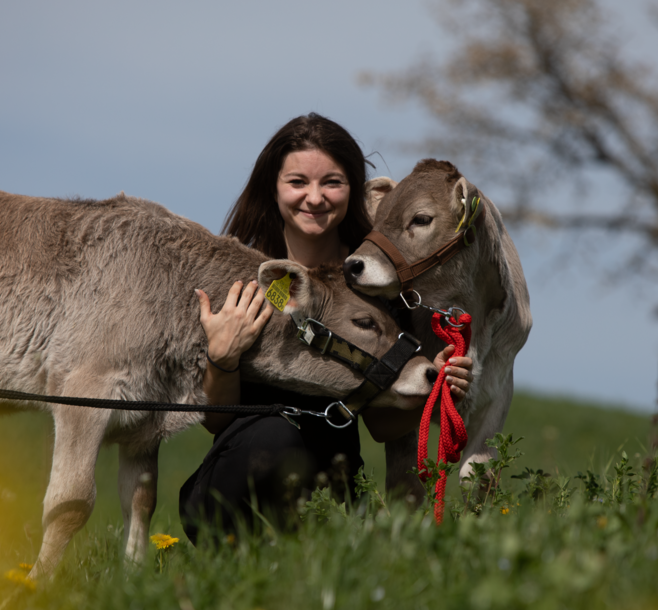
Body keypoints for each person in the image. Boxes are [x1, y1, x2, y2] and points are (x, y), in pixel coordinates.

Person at [178, 113, 472, 543]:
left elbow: (379, 426)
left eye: (331, 182)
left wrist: (432, 387)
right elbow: (216, 422)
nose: (314, 198)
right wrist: (220, 359)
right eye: (297, 182)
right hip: (237, 475)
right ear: (273, 187)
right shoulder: (242, 275)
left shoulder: (376, 281)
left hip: (331, 483)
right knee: (274, 438)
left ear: (353, 189)